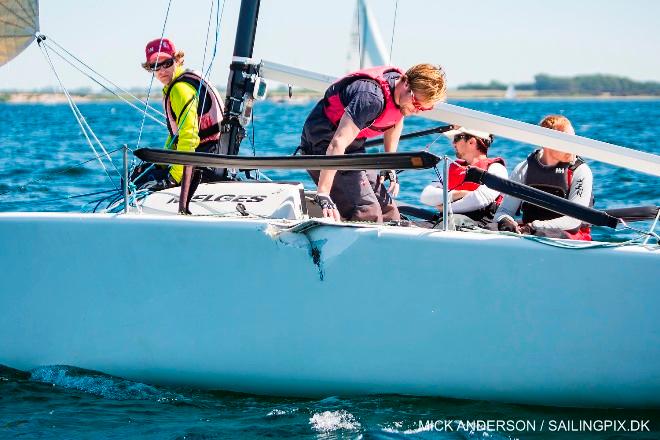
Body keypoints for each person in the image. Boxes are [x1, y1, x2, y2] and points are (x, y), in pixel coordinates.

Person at [298, 64, 447, 222]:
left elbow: (395, 120)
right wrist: (323, 193)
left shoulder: (401, 97)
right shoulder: (371, 98)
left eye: (423, 109)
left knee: (389, 213)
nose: (417, 111)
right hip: (323, 144)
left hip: (353, 146)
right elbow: (338, 143)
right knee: (368, 212)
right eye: (416, 104)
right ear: (406, 84)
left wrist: (389, 163)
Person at [135, 38, 224, 212]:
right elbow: (175, 135)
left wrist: (174, 178)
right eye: (155, 66)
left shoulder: (180, 89)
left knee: (139, 180)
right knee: (146, 171)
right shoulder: (178, 85)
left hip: (202, 165)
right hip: (210, 159)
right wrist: (160, 164)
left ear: (177, 60)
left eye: (166, 63)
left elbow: (189, 138)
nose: (161, 70)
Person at [494, 115, 594, 240]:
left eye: (574, 140)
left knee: (542, 235)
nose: (573, 147)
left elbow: (574, 221)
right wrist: (505, 220)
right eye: (567, 141)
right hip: (530, 232)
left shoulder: (581, 171)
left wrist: (535, 226)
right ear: (547, 143)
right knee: (490, 228)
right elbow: (504, 210)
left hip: (569, 236)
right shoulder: (523, 169)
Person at [419, 127, 507, 228]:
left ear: (471, 142)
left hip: (477, 225)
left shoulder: (496, 168)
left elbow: (480, 198)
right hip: (447, 221)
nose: (453, 143)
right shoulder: (452, 167)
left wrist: (446, 208)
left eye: (457, 138)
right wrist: (458, 194)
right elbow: (426, 196)